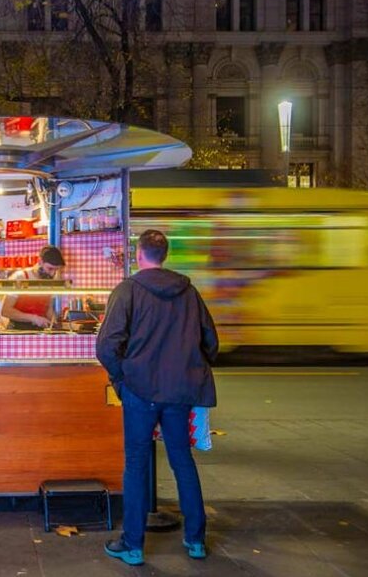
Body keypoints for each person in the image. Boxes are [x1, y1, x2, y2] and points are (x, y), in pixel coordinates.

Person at [96, 229, 219, 566]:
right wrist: (190, 367)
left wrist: (122, 378)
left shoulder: (128, 290)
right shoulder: (189, 292)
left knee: (136, 464)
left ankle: (133, 545)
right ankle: (195, 540)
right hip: (180, 391)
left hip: (140, 390)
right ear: (165, 255)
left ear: (139, 254)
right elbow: (211, 340)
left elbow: (106, 345)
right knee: (182, 461)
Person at [1, 245, 65, 330]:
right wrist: (33, 318)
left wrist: (55, 324)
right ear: (40, 261)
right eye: (50, 269)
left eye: (56, 270)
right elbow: (5, 311)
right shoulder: (21, 277)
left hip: (39, 331)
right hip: (17, 331)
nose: (52, 274)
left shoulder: (49, 281)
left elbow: (48, 310)